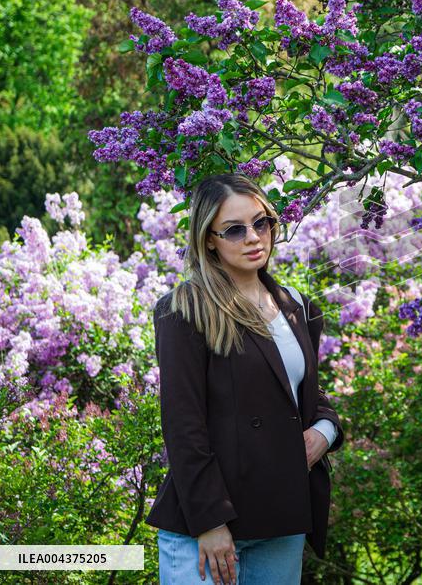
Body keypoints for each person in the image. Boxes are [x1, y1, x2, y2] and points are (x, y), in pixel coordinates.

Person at [145, 173, 344, 584]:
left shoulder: (296, 306)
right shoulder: (184, 308)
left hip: (280, 516)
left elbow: (306, 395)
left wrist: (324, 432)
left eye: (261, 222)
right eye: (234, 229)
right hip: (206, 528)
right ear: (209, 239)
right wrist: (210, 521)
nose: (253, 237)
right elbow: (183, 424)